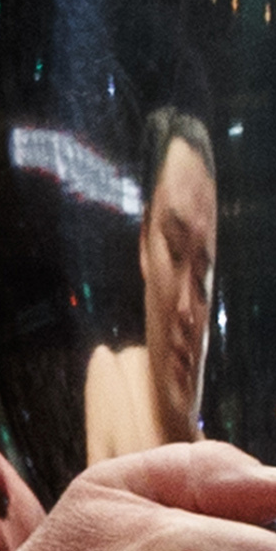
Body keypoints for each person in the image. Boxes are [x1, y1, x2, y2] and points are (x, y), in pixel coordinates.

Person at [78, 109, 218, 462]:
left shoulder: (209, 460)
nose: (187, 309)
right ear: (144, 241)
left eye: (202, 281)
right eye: (173, 250)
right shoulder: (114, 383)